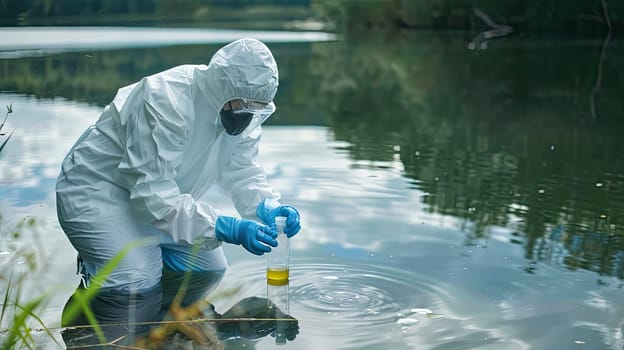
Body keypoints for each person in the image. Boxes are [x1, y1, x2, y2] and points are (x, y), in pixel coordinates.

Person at [55, 38, 301, 327]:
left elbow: (244, 171)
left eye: (258, 109)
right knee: (137, 280)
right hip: (97, 192)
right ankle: (95, 320)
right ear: (223, 90)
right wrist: (227, 227)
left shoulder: (241, 115)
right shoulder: (165, 99)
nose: (249, 116)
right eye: (245, 106)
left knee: (209, 270)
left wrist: (267, 206)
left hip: (156, 201)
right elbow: (153, 193)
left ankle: (165, 333)